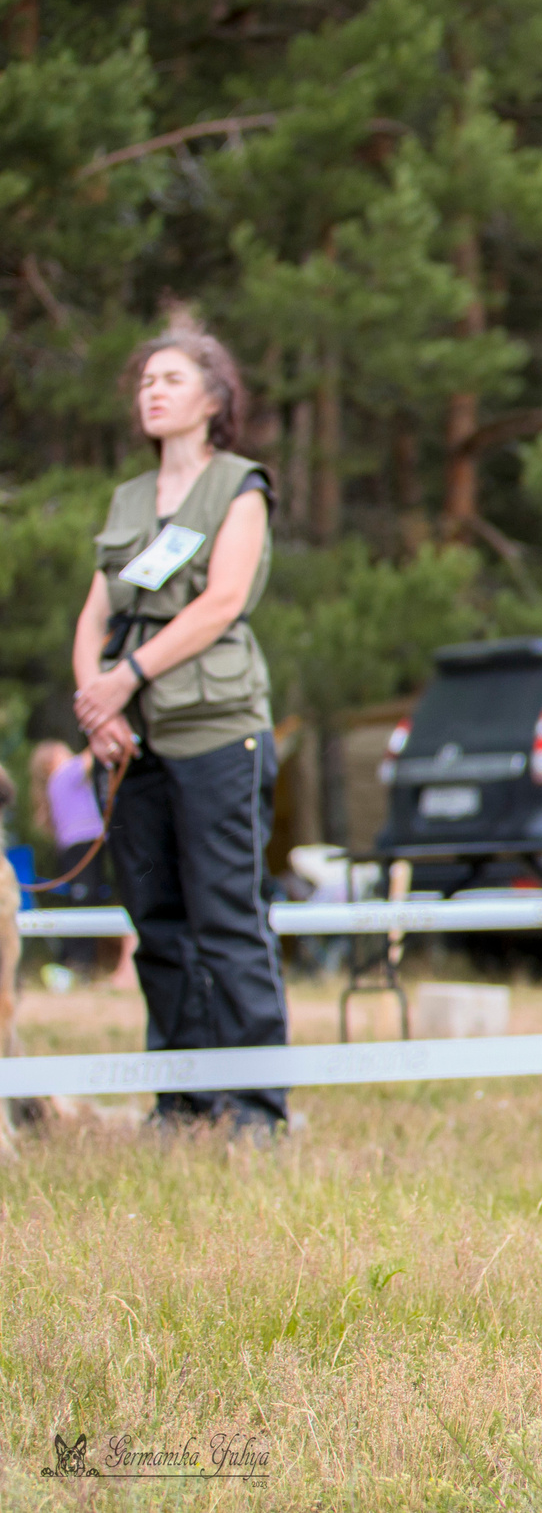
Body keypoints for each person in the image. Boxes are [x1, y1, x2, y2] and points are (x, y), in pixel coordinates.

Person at [67, 327, 291, 1137]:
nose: (151, 392)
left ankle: (257, 1109)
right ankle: (183, 1103)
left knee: (226, 916)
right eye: (143, 381)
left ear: (213, 400)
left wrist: (127, 678)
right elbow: (97, 613)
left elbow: (221, 602)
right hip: (130, 741)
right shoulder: (128, 500)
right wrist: (97, 703)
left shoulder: (239, 486)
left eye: (171, 379)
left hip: (212, 727)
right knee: (155, 922)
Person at [27, 739, 139, 986]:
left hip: (76, 847)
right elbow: (93, 754)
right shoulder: (65, 774)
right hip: (83, 844)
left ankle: (77, 963)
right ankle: (79, 965)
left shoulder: (56, 782)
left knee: (82, 900)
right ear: (51, 761)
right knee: (85, 902)